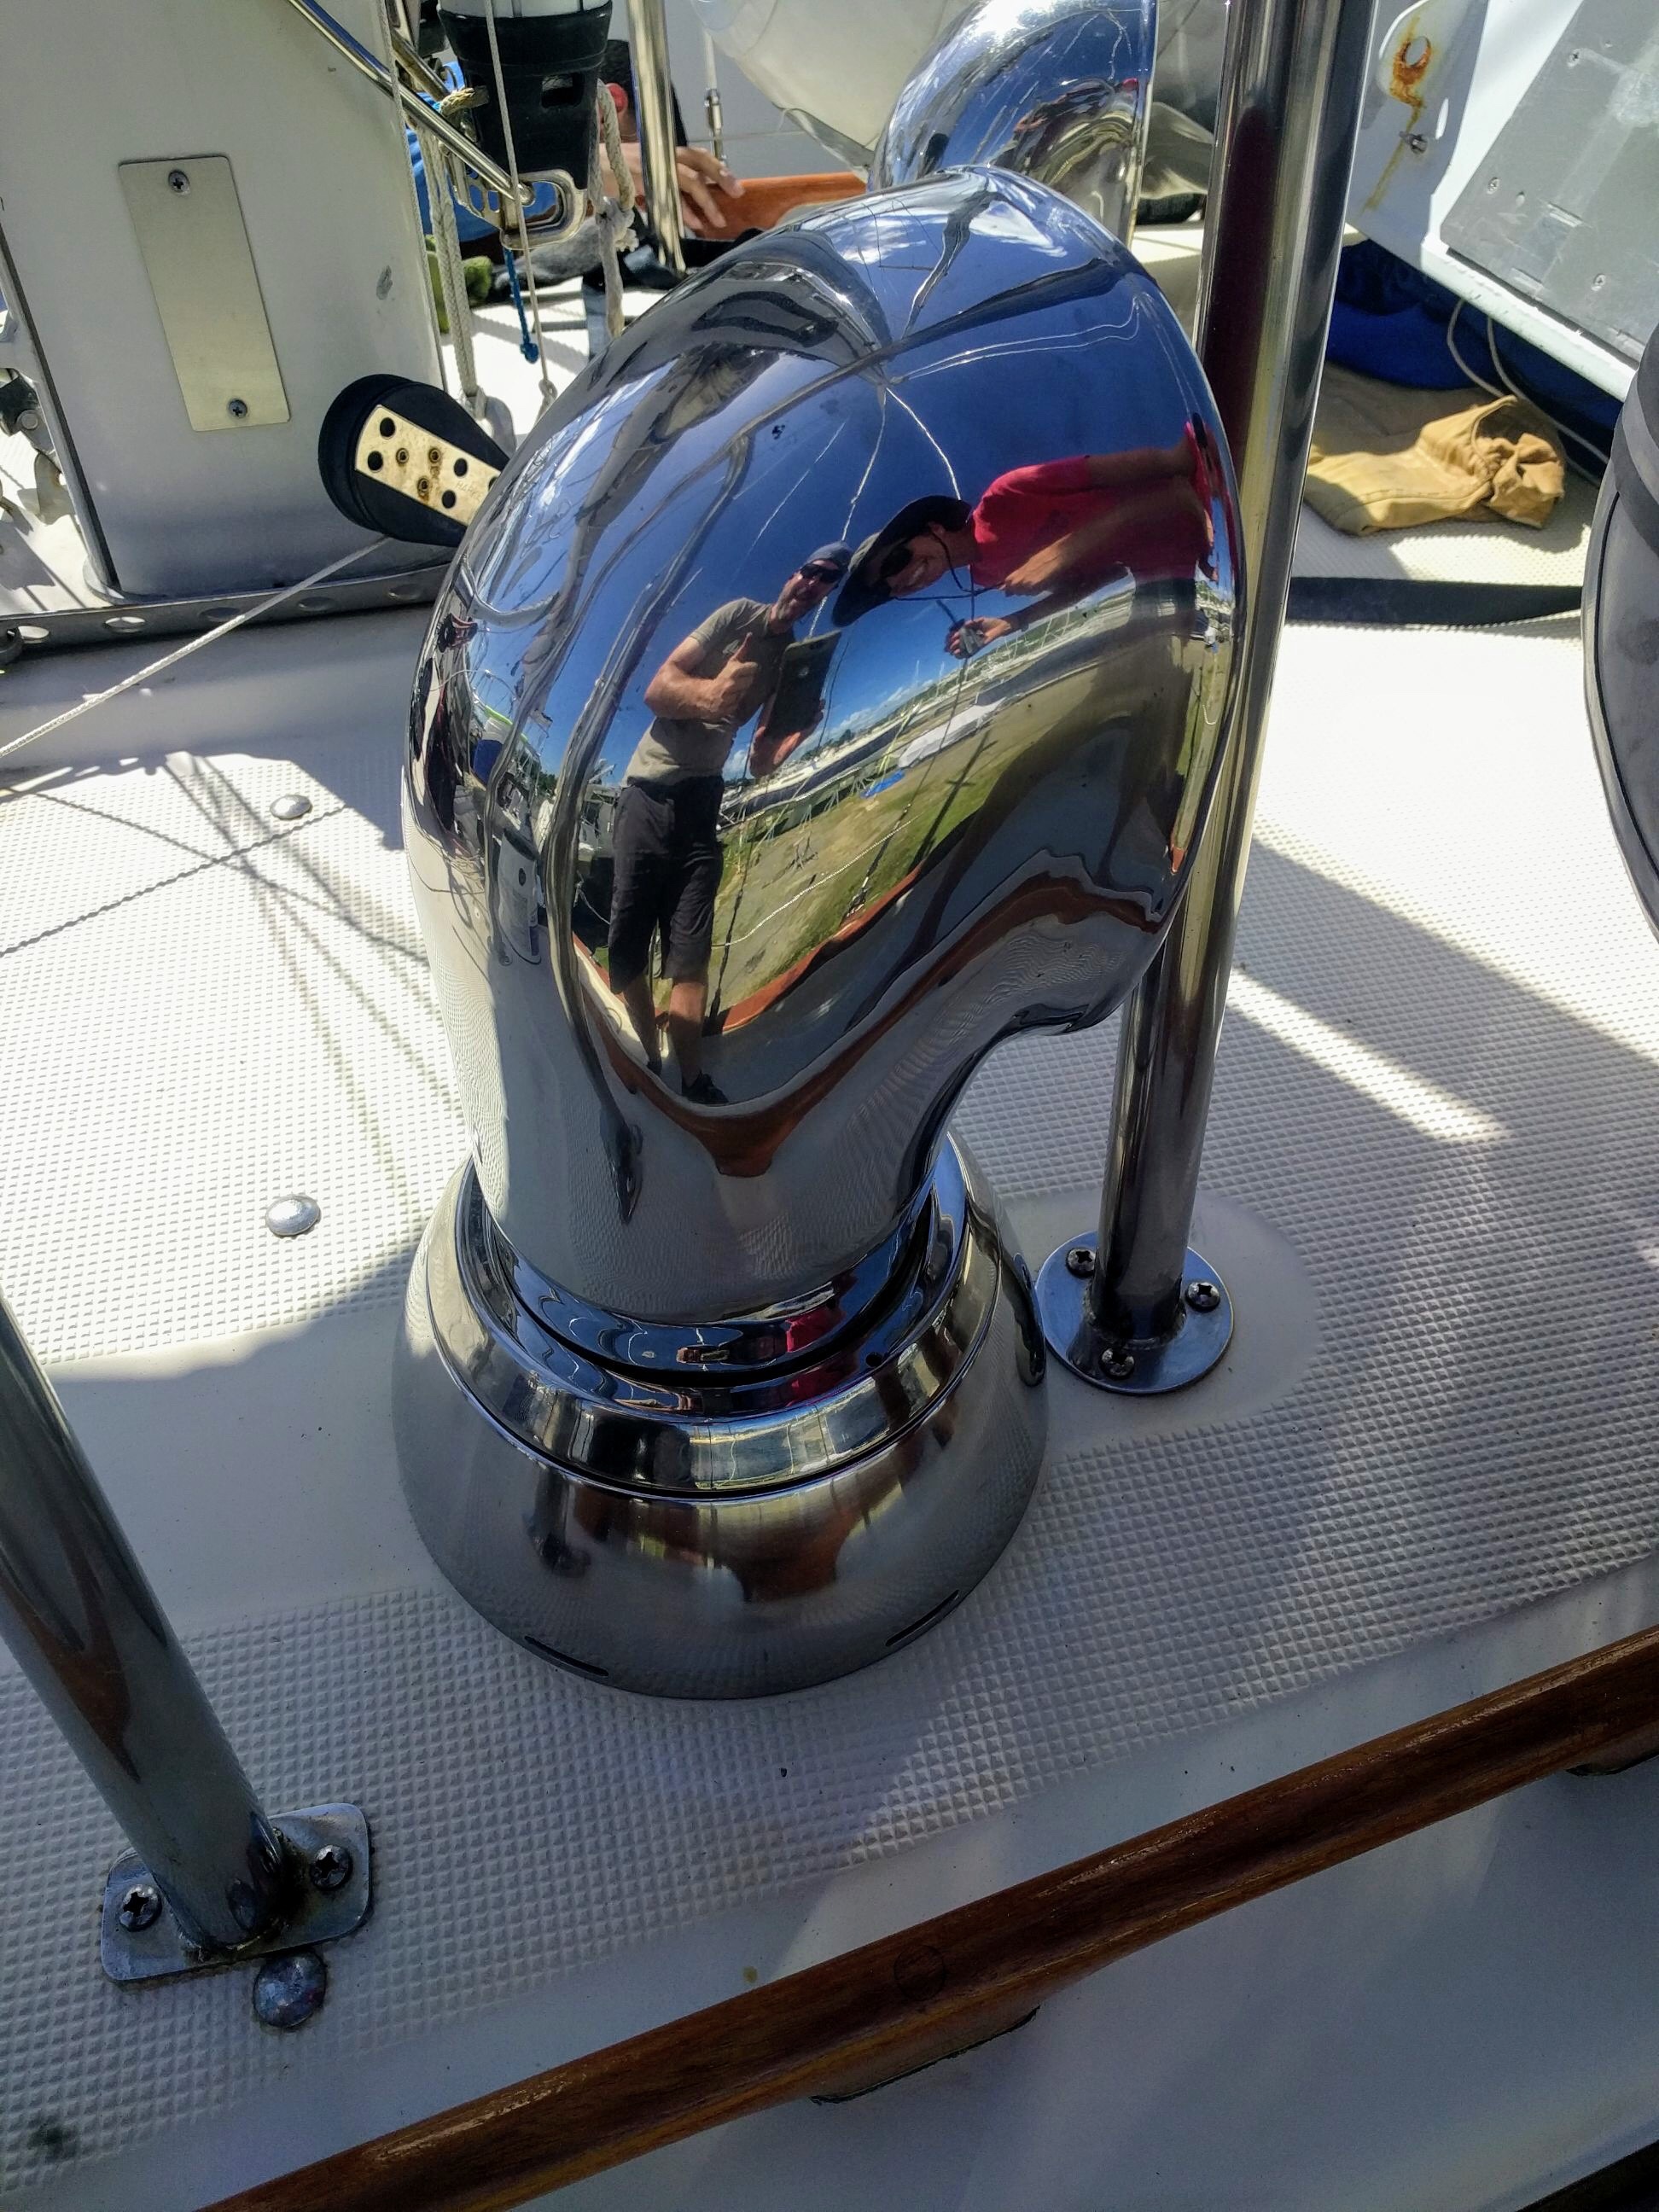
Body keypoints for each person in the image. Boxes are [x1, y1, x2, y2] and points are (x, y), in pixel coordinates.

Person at [607, 545, 850, 1103]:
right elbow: (657, 690)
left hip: (701, 802)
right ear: (793, 574)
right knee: (627, 947)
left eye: (829, 582)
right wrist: (710, 696)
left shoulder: (788, 661)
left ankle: (692, 1083)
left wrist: (795, 738)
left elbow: (760, 761)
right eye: (812, 571)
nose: (814, 584)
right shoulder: (738, 614)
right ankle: (650, 1057)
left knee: (690, 956)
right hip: (646, 797)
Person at [833, 419, 1221, 654]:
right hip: (1166, 563)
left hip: (1192, 505)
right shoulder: (987, 577)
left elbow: (1163, 471)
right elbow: (1099, 579)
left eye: (895, 561)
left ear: (933, 528)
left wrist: (1067, 548)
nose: (901, 579)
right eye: (890, 589)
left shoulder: (1006, 494)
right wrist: (1012, 622)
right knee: (1145, 656)